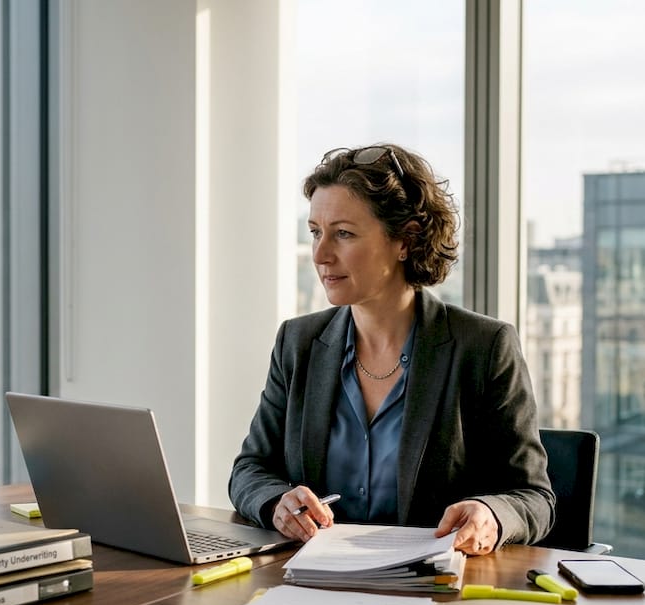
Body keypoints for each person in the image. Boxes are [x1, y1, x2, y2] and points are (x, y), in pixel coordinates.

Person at [229, 144, 554, 556]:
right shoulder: (298, 342)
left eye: (343, 234)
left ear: (406, 239)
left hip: (434, 592)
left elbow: (533, 497)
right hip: (312, 580)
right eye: (315, 232)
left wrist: (491, 514)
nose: (320, 254)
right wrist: (277, 502)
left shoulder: (484, 347)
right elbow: (250, 469)